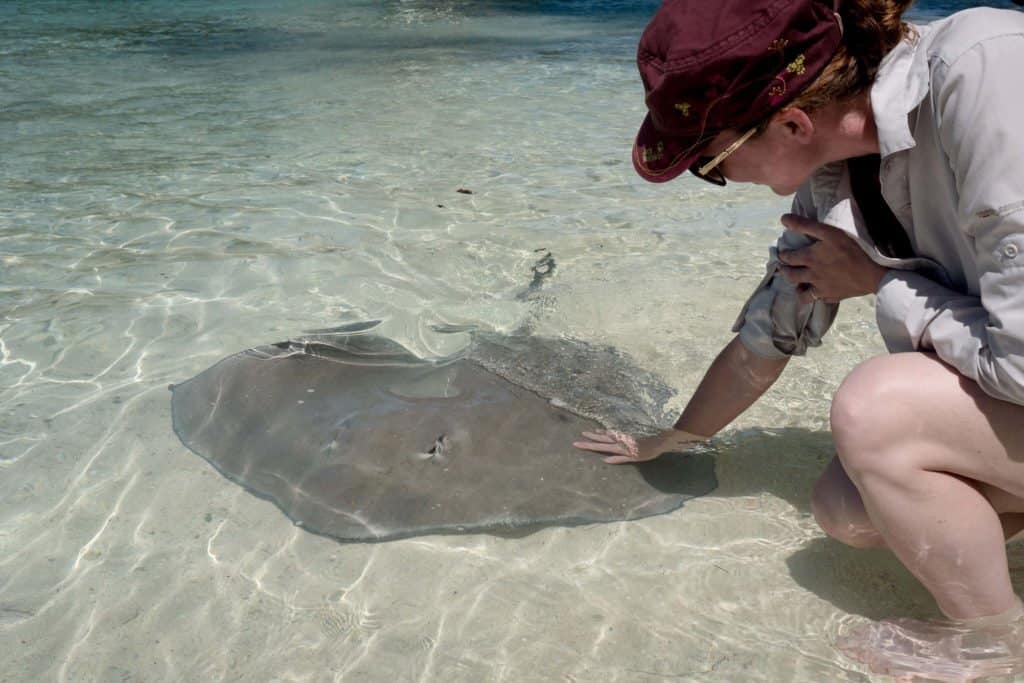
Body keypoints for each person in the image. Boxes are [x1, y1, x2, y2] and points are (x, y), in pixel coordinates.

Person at [573, 0, 1024, 677]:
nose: (716, 181)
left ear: (790, 122)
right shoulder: (832, 174)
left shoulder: (986, 75)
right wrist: (674, 436)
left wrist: (878, 282)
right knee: (846, 511)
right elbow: (769, 335)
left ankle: (997, 644)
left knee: (877, 411)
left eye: (710, 161)